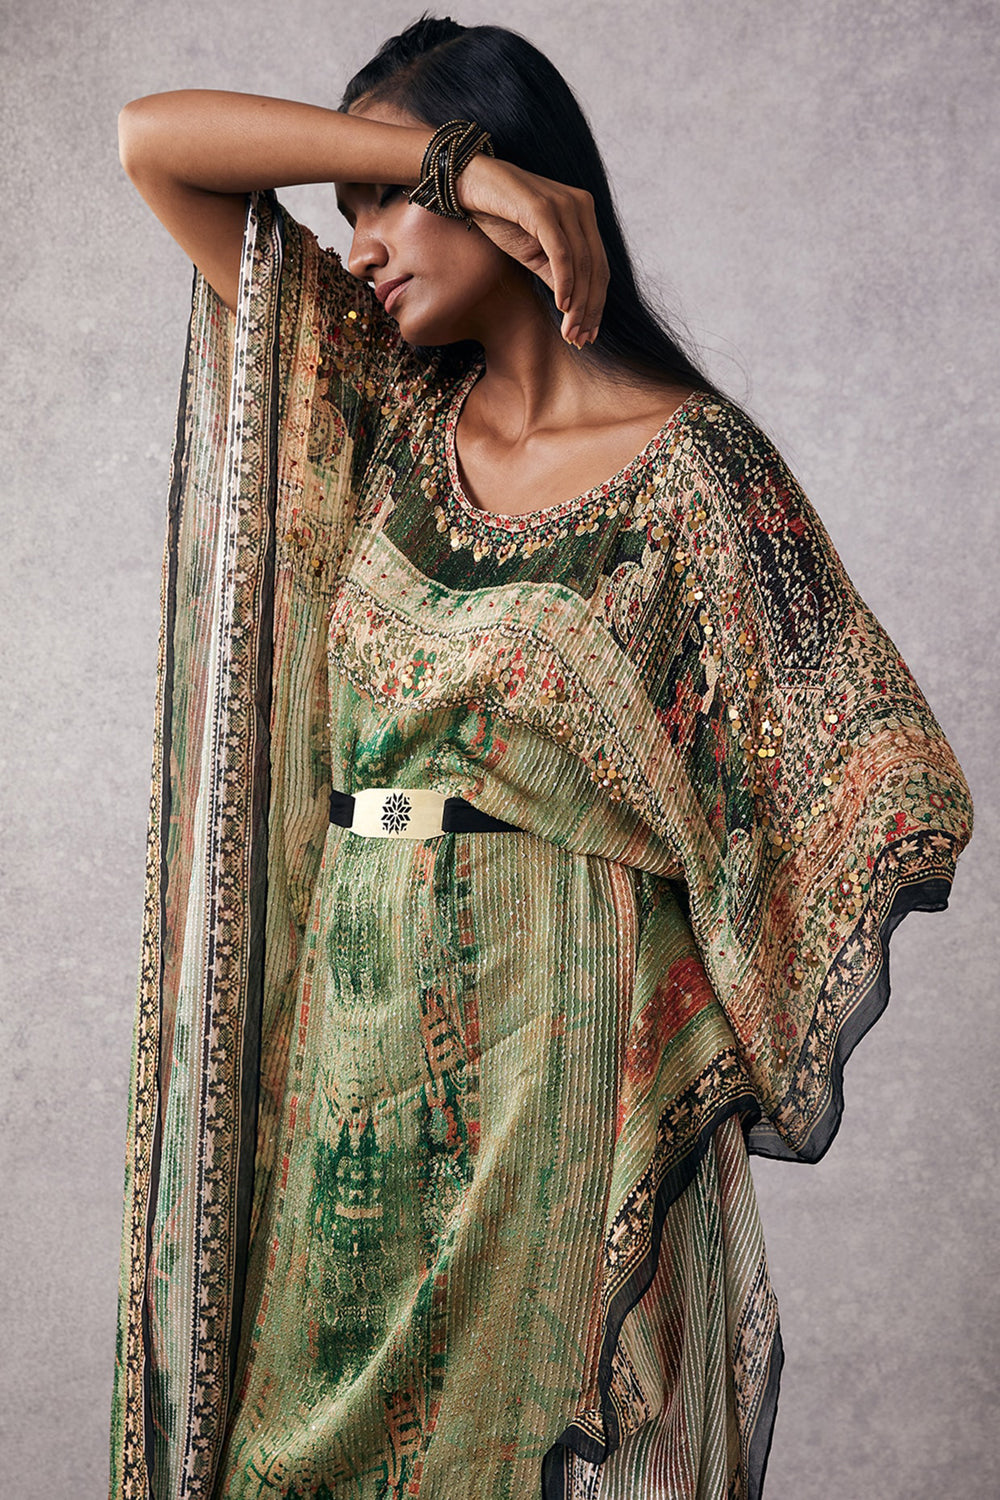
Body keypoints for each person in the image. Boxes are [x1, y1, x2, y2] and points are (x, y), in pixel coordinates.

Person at [108, 15, 973, 1500]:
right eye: (349, 208)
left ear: (515, 169)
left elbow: (877, 773)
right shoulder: (384, 403)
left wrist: (681, 972)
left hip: (558, 1053)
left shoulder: (696, 471)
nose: (360, 245)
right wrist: (438, 164)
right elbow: (156, 146)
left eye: (387, 206)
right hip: (349, 1036)